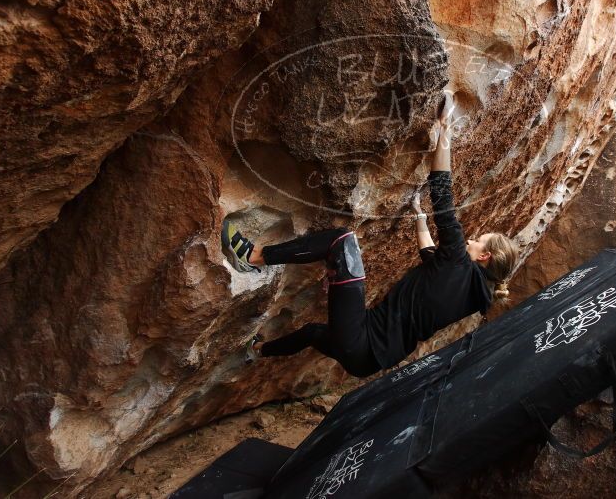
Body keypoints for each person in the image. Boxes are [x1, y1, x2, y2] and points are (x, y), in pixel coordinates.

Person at [221, 92, 519, 377]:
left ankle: (254, 257)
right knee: (312, 333)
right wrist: (419, 217)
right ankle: (256, 351)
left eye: (478, 240)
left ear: (484, 256)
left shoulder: (458, 263)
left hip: (361, 338)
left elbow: (442, 190)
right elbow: (430, 256)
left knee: (342, 241)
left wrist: (444, 129)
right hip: (367, 361)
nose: (470, 239)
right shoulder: (472, 296)